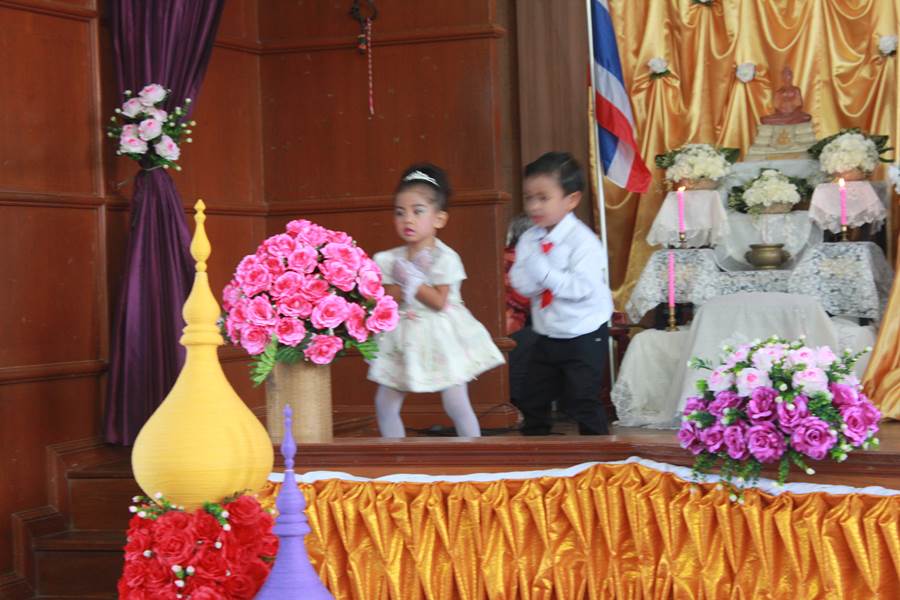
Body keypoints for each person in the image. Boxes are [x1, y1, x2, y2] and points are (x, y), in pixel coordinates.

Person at [368, 163, 505, 437]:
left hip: (441, 335)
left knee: (455, 402)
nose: (408, 219)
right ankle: (396, 454)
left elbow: (439, 301)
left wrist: (411, 281)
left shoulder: (446, 258)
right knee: (385, 403)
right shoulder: (388, 259)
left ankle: (474, 452)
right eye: (400, 212)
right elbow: (383, 295)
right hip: (403, 336)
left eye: (418, 211)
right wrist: (399, 286)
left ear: (439, 219)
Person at [509, 151, 613, 435]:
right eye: (529, 198)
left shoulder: (583, 242)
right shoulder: (530, 238)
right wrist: (540, 279)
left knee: (582, 398)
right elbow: (519, 280)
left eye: (543, 198)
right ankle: (536, 451)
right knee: (532, 396)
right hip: (548, 331)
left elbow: (580, 288)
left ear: (571, 200)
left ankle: (599, 454)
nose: (534, 206)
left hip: (584, 330)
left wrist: (544, 274)